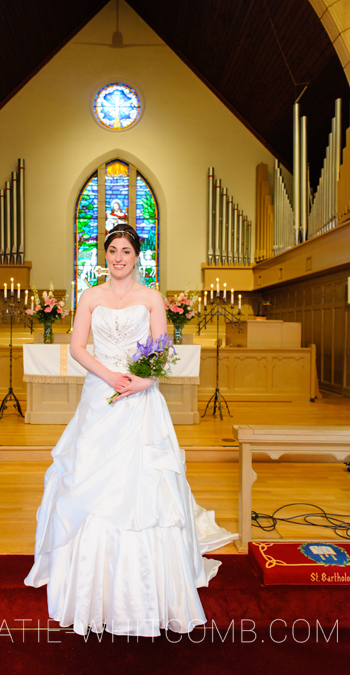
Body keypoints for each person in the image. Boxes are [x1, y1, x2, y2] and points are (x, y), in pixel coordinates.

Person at [24, 223, 237, 637]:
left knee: (145, 486)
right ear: (104, 256)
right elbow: (77, 347)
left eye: (126, 250)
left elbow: (160, 346)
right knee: (87, 474)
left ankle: (148, 581)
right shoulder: (90, 297)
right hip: (100, 392)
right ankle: (85, 577)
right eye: (113, 250)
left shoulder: (151, 297)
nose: (119, 257)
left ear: (137, 256)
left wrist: (143, 381)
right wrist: (109, 377)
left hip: (140, 399)